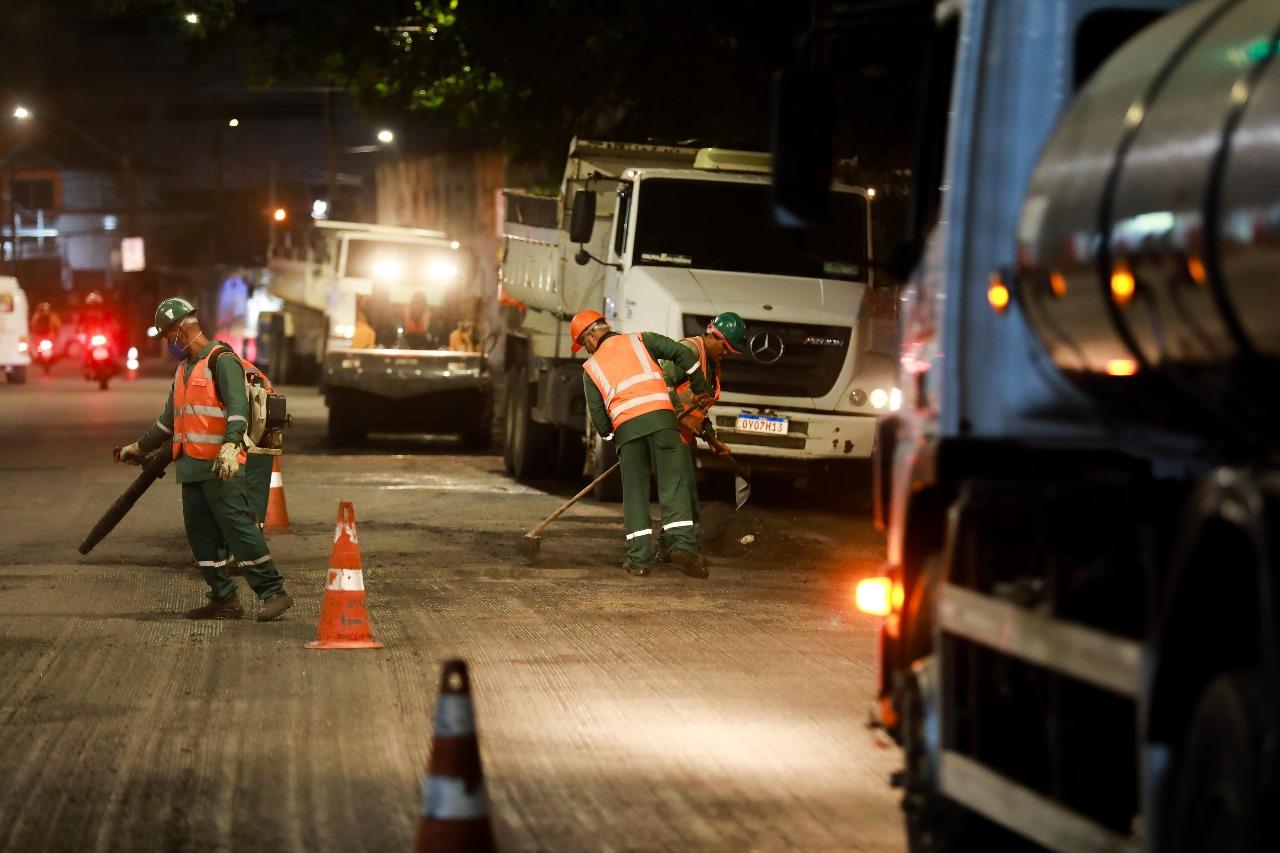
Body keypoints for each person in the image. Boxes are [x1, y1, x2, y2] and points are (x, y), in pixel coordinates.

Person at [114, 297, 293, 621]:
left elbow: (238, 409)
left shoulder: (221, 361)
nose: (169, 343)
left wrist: (230, 447)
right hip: (191, 468)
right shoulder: (183, 370)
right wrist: (139, 447)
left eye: (169, 336)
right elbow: (167, 422)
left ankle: (273, 592)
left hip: (220, 468)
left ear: (182, 331)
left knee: (239, 530)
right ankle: (223, 598)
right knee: (200, 536)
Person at [573, 309, 710, 579]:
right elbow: (686, 354)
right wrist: (699, 384)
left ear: (590, 336)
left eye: (582, 344)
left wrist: (616, 439)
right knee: (674, 484)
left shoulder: (591, 370)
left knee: (635, 494)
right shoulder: (641, 339)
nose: (585, 350)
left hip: (628, 431)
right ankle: (683, 545)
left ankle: (639, 560)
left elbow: (599, 420)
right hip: (662, 422)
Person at [657, 312, 747, 559]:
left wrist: (713, 439)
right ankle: (681, 548)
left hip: (684, 437)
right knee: (680, 492)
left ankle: (667, 547)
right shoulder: (689, 351)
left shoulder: (712, 364)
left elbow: (698, 407)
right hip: (667, 431)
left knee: (684, 490)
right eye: (726, 347)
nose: (726, 353)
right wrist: (681, 415)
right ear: (713, 336)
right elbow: (659, 382)